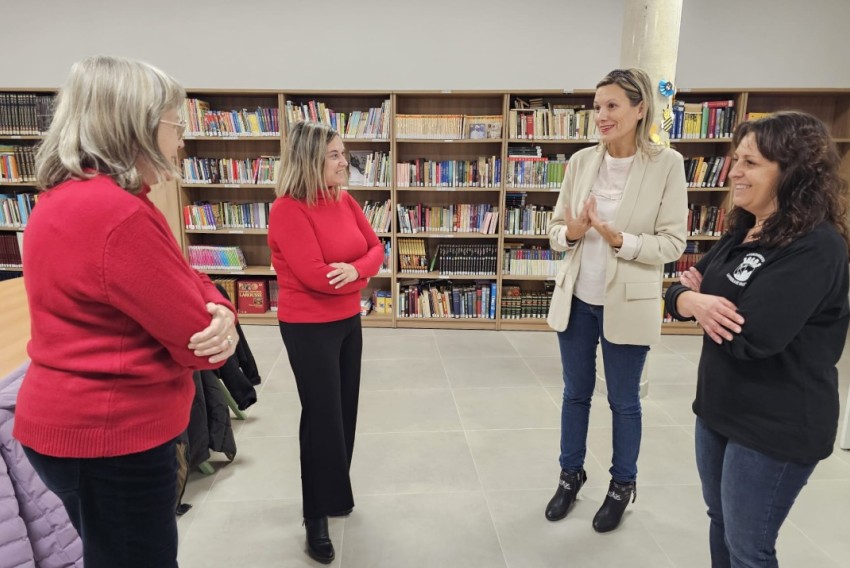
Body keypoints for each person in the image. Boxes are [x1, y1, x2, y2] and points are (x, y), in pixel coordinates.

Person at [14, 55, 239, 568]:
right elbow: (194, 339)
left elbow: (181, 278)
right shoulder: (119, 215)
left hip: (68, 426)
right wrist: (216, 316)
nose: (182, 138)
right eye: (175, 123)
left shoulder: (65, 198)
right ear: (133, 123)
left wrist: (219, 305)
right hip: (111, 435)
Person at [665, 111, 850, 567]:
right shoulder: (743, 229)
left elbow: (753, 336)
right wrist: (694, 303)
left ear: (791, 171)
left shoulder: (816, 246)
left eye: (751, 162)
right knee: (719, 520)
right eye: (735, 159)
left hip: (776, 424)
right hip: (719, 408)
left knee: (750, 547)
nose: (734, 172)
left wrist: (698, 300)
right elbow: (677, 291)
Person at [545, 68, 688, 532]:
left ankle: (622, 485)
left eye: (612, 106)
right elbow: (554, 233)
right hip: (578, 299)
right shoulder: (581, 162)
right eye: (598, 106)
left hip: (629, 301)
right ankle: (570, 475)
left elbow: (672, 244)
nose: (601, 116)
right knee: (575, 394)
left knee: (625, 401)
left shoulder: (667, 165)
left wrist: (619, 239)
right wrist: (573, 232)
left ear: (640, 108)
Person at [268, 120, 383, 564]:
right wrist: (359, 273)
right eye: (334, 154)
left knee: (345, 410)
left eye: (343, 152)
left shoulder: (344, 200)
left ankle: (335, 493)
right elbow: (317, 276)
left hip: (347, 321)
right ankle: (314, 515)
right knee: (321, 418)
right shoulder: (288, 209)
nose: (344, 161)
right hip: (308, 326)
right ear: (310, 160)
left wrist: (357, 270)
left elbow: (376, 248)